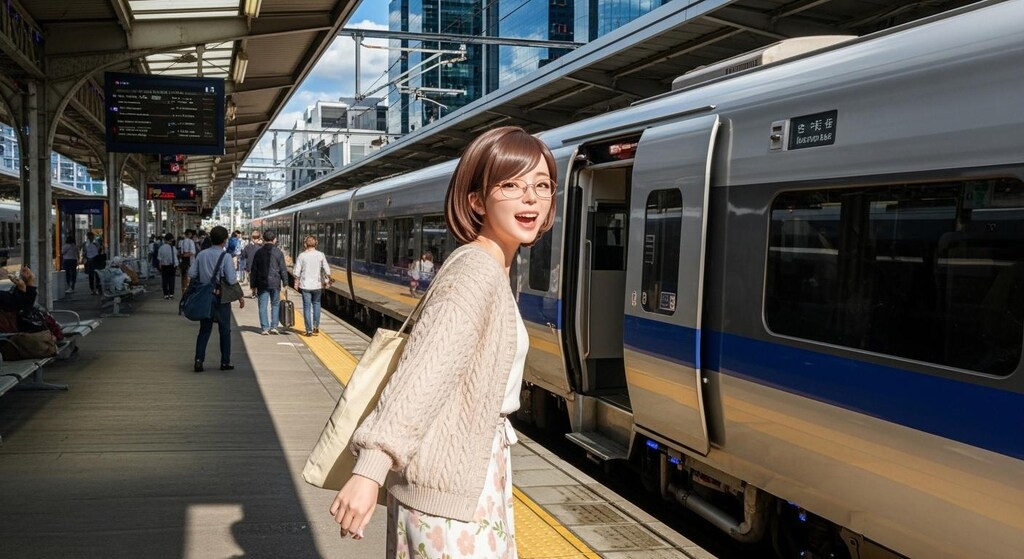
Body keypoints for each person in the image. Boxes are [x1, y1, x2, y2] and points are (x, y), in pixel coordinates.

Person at [330, 126, 556, 556]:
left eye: (542, 185)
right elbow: (423, 375)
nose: (531, 197)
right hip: (447, 493)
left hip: (467, 476)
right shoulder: (475, 271)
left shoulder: (494, 268)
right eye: (511, 184)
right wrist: (370, 469)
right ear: (476, 200)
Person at [188, 225, 244, 372]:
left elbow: (192, 273)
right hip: (221, 298)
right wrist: (239, 295)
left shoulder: (201, 255)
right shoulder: (225, 257)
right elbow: (232, 279)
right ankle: (225, 361)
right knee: (224, 330)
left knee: (204, 330)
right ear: (225, 240)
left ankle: (199, 360)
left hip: (204, 297)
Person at [249, 230, 289, 335]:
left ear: (263, 239)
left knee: (262, 306)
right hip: (275, 283)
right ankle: (274, 327)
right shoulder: (279, 252)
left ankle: (265, 328)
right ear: (274, 240)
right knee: (275, 304)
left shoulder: (258, 252)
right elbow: (283, 269)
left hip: (262, 283)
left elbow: (254, 270)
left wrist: (252, 285)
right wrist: (285, 283)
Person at [293, 235, 332, 336]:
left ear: (305, 244)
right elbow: (327, 270)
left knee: (307, 307)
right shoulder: (320, 255)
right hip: (317, 285)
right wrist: (328, 279)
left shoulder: (302, 256)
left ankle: (308, 330)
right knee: (317, 304)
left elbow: (296, 272)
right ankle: (316, 327)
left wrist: (296, 283)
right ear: (316, 244)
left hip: (305, 285)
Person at [157, 233, 179, 300]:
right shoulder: (173, 248)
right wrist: (177, 265)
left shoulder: (161, 248)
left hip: (164, 266)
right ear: (171, 239)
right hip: (172, 266)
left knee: (164, 280)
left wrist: (160, 265)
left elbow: (159, 258)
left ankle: (166, 294)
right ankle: (171, 294)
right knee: (172, 280)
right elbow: (175, 257)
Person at [240, 231, 262, 296]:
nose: (255, 239)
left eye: (256, 238)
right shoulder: (261, 247)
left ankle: (253, 292)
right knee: (257, 279)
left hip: (251, 266)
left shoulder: (248, 247)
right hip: (258, 267)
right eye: (256, 238)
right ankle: (256, 291)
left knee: (252, 279)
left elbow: (243, 255)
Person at [178, 229, 197, 293]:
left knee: (183, 276)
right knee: (189, 276)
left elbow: (181, 252)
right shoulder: (191, 241)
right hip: (190, 261)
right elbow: (193, 252)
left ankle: (183, 290)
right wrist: (187, 255)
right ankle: (188, 290)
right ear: (189, 234)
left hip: (183, 261)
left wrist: (183, 255)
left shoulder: (181, 242)